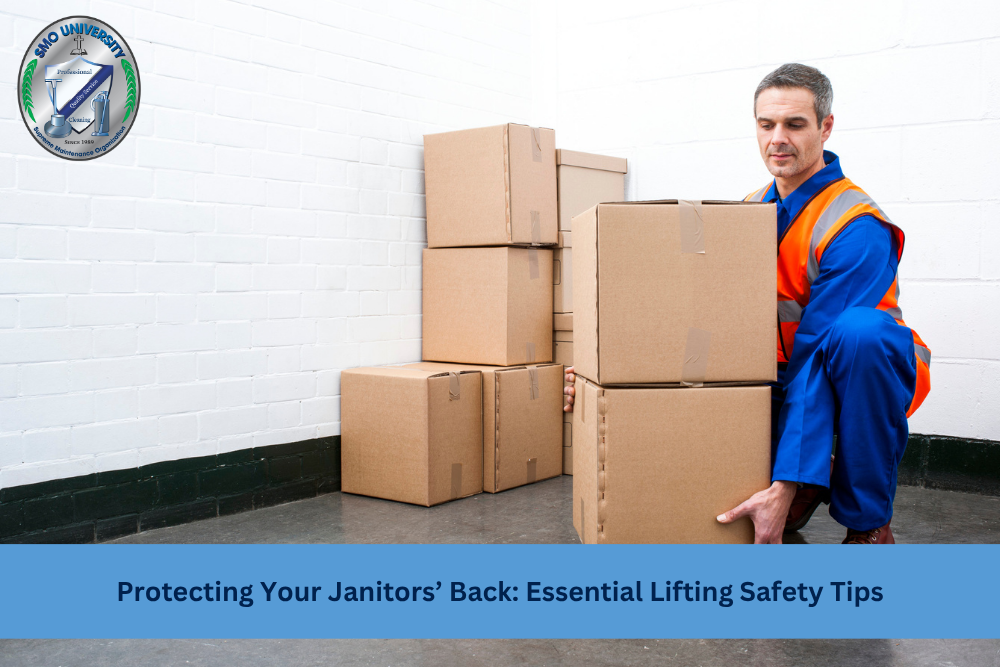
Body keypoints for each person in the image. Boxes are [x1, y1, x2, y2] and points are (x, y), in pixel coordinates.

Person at [563, 63, 930, 545]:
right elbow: (699, 311)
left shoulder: (854, 224)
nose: (777, 138)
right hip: (778, 375)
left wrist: (786, 482)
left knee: (859, 334)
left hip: (857, 376)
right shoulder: (750, 210)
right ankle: (817, 470)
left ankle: (868, 524)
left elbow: (815, 356)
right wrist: (600, 374)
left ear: (825, 127)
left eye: (794, 124)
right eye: (766, 125)